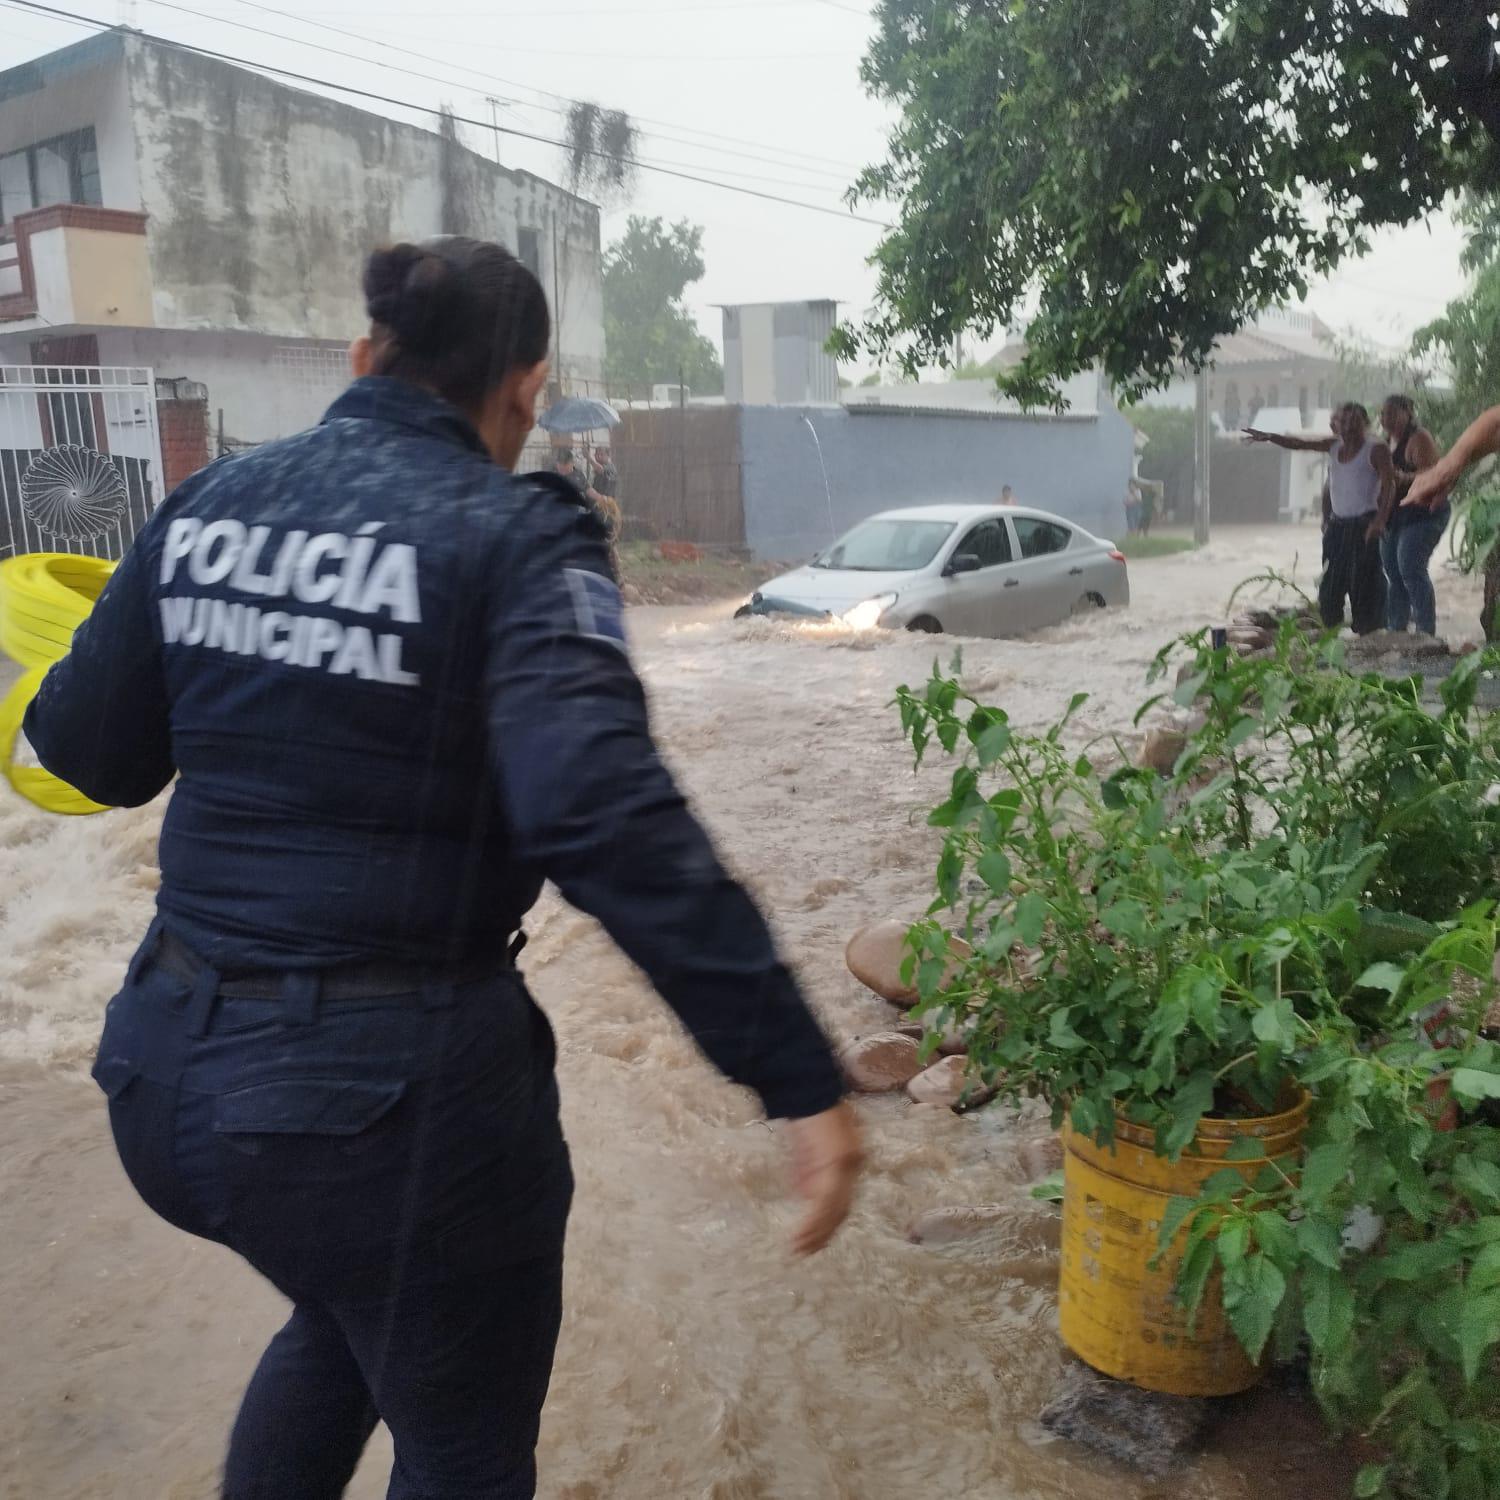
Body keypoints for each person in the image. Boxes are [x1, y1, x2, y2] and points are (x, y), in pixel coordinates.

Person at [23, 236, 861, 1500]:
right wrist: (796, 1071)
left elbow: (84, 754)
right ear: (525, 391)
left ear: (366, 358)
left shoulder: (208, 507)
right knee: (460, 1440)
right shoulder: (516, 536)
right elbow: (600, 813)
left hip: (163, 1079)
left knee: (348, 1320)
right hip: (385, 1118)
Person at [1246, 403, 1393, 633]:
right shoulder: (1334, 446)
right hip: (1338, 526)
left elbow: (1388, 485)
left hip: (1364, 524)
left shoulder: (1376, 449)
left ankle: (1370, 633)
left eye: (1351, 422)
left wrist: (1380, 520)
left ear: (1364, 423)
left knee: (1366, 583)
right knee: (1330, 584)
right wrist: (1269, 437)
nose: (1345, 427)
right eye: (1341, 422)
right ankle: (1330, 631)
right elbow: (1300, 444)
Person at [1379, 394, 1449, 637]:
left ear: (1408, 412)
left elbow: (1433, 475)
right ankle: (1396, 627)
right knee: (1392, 570)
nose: (1385, 418)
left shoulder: (1419, 438)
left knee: (1410, 566)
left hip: (1425, 513)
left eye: (1391, 413)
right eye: (1382, 413)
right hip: (1395, 514)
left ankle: (1425, 631)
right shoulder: (1386, 441)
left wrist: (1401, 477)